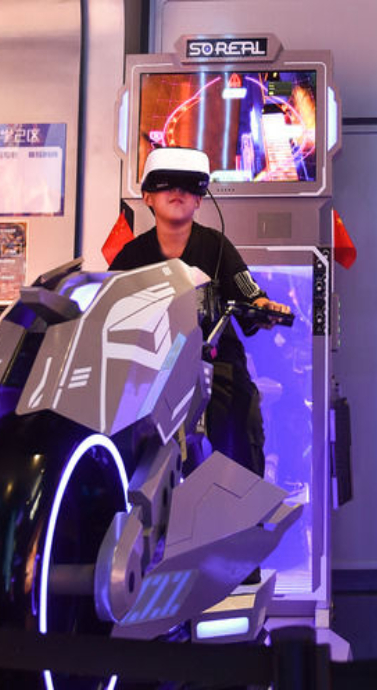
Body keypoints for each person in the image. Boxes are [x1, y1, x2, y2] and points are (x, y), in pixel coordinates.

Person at [110, 147, 291, 484]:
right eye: (165, 184)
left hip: (213, 361)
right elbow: (107, 310)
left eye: (188, 186)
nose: (177, 192)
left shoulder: (217, 246)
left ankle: (240, 499)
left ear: (199, 199)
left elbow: (250, 293)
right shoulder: (130, 256)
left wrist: (266, 308)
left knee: (239, 413)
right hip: (148, 368)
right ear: (147, 196)